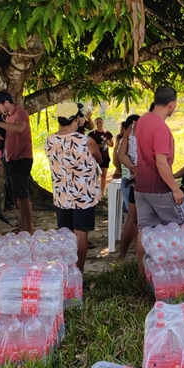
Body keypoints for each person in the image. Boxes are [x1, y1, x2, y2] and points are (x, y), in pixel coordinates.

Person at [134, 86, 184, 271]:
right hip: (160, 188)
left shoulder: (141, 121)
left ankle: (143, 274)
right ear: (171, 105)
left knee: (145, 231)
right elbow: (161, 163)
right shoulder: (161, 128)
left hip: (141, 187)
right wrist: (175, 188)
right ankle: (182, 273)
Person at [45, 102, 103, 271]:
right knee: (81, 234)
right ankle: (78, 273)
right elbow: (99, 159)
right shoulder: (86, 140)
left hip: (62, 194)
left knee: (65, 235)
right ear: (77, 119)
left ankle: (66, 271)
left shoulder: (50, 140)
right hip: (83, 195)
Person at [0, 90, 34, 233]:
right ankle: (24, 224)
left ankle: (29, 226)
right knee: (18, 194)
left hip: (22, 158)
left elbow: (19, 128)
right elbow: (9, 133)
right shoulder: (6, 117)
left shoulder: (20, 113)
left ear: (7, 102)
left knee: (23, 194)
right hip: (11, 159)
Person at [116, 114, 141, 261]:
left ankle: (122, 256)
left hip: (134, 179)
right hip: (146, 181)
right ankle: (139, 256)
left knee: (132, 219)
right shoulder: (155, 128)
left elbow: (120, 154)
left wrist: (132, 167)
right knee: (141, 221)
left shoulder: (130, 130)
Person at [88, 117, 113, 194]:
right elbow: (88, 146)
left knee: (104, 175)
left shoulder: (107, 133)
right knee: (95, 175)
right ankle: (94, 192)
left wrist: (107, 142)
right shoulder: (92, 134)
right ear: (95, 124)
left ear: (103, 123)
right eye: (97, 123)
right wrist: (98, 146)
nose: (99, 124)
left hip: (105, 157)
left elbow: (112, 144)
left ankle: (102, 193)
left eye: (100, 122)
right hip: (95, 157)